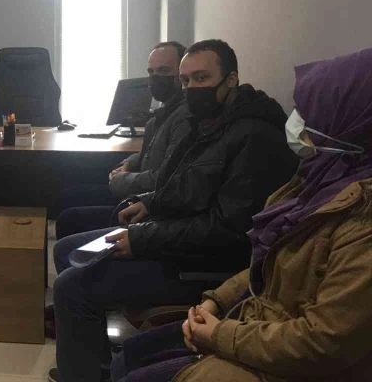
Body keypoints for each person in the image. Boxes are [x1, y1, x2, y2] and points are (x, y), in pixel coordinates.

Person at [110, 48, 372, 382]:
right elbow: (269, 260)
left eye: (307, 113)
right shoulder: (314, 181)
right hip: (253, 318)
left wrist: (220, 333)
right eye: (185, 80)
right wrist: (217, 302)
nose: (295, 122)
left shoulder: (360, 217)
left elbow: (323, 342)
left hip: (277, 349)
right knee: (127, 358)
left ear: (346, 123)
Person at [48, 39, 299, 382]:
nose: (192, 88)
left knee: (71, 287)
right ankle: (95, 363)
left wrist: (142, 239)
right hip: (172, 238)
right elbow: (184, 185)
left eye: (201, 78)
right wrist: (151, 203)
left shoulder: (255, 137)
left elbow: (228, 232)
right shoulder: (209, 122)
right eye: (185, 80)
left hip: (203, 263)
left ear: (231, 79)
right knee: (73, 253)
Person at [56, 41, 190, 236]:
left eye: (164, 70)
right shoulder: (160, 117)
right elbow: (147, 154)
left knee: (69, 218)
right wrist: (128, 163)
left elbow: (163, 178)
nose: (155, 77)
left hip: (147, 206)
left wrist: (120, 180)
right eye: (151, 71)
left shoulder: (184, 118)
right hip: (136, 192)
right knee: (68, 195)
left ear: (183, 74)